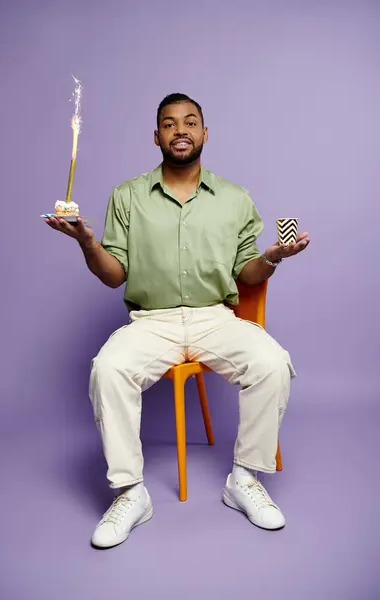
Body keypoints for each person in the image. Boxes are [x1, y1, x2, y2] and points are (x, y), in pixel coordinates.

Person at [45, 93, 310, 549]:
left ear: (205, 133)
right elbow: (114, 277)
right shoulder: (126, 195)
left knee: (272, 361)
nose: (180, 130)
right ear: (157, 137)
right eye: (169, 124)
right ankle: (131, 493)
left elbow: (246, 273)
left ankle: (244, 480)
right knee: (108, 369)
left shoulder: (235, 197)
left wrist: (271, 258)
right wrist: (87, 242)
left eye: (190, 122)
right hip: (153, 321)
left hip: (214, 317)